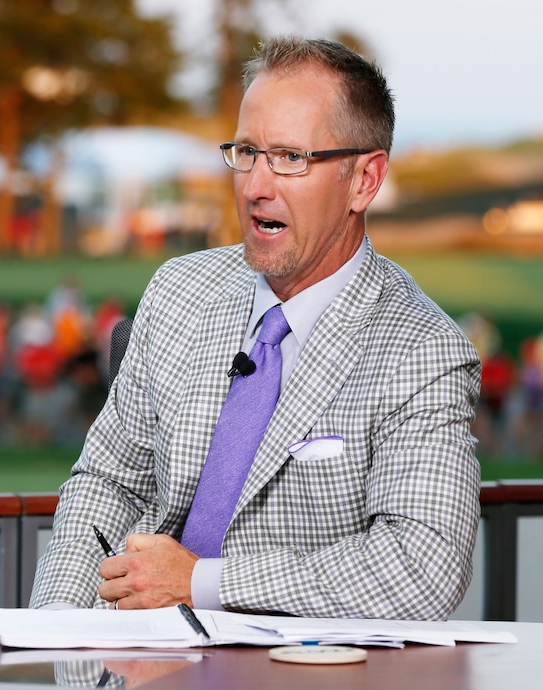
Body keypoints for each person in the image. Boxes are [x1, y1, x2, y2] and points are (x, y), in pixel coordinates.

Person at [30, 36, 481, 621]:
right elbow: (107, 482)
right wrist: (56, 630)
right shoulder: (178, 291)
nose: (255, 187)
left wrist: (202, 583)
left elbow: (422, 571)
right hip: (136, 659)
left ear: (365, 181)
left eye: (291, 158)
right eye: (247, 152)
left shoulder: (423, 352)